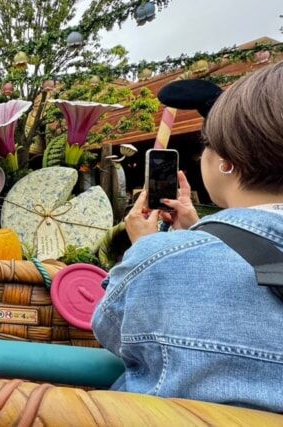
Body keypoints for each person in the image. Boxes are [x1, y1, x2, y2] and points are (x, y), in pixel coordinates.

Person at [91, 62, 283, 413]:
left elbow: (110, 330)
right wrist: (197, 234)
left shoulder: (160, 256)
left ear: (226, 161)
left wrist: (149, 251)